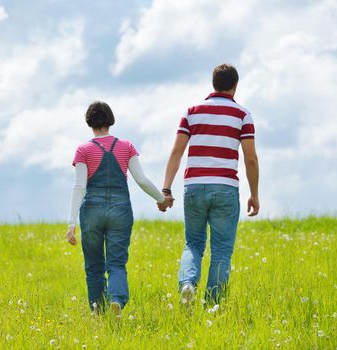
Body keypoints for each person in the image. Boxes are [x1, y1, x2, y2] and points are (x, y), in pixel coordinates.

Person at [159, 63, 260, 305]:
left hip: (193, 186)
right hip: (225, 187)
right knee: (222, 250)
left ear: (213, 84)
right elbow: (250, 158)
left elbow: (176, 151)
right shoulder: (242, 115)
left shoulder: (192, 112)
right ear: (235, 86)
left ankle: (187, 285)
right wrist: (254, 194)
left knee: (193, 244)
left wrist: (166, 188)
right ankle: (213, 305)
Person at [67, 101, 173, 315]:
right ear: (110, 120)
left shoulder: (83, 150)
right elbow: (141, 180)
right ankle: (116, 299)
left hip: (92, 212)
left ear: (89, 122)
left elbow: (79, 186)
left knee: (94, 266)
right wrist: (161, 198)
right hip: (120, 209)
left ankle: (98, 312)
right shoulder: (126, 146)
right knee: (116, 263)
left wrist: (71, 223)